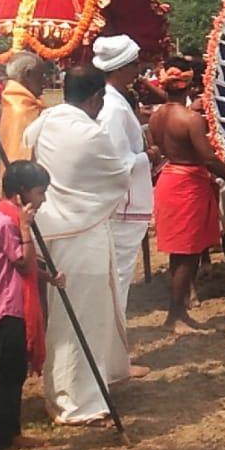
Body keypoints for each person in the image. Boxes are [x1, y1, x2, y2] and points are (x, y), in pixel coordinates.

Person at [24, 68, 138, 422]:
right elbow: (118, 177)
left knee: (68, 315)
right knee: (83, 317)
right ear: (94, 99)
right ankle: (77, 403)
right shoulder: (90, 134)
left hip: (50, 229)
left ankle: (80, 387)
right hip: (81, 231)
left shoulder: (46, 120)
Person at [149, 59, 225, 332]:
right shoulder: (191, 119)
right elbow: (209, 159)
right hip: (188, 183)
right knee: (188, 253)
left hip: (169, 179)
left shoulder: (156, 116)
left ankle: (178, 313)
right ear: (190, 86)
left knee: (179, 254)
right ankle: (175, 316)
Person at [0, 159, 60, 450]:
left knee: (16, 374)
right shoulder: (5, 222)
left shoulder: (8, 217)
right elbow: (23, 263)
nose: (42, 199)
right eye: (40, 192)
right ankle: (2, 448)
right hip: (6, 307)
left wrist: (48, 276)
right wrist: (26, 228)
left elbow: (27, 267)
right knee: (10, 378)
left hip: (13, 303)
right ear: (23, 192)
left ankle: (13, 433)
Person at [91, 35, 161, 312]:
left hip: (122, 204)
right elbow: (116, 162)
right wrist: (149, 156)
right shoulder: (111, 108)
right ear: (120, 69)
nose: (138, 70)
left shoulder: (116, 101)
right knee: (117, 278)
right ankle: (111, 340)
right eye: (134, 65)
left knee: (117, 276)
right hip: (121, 206)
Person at [0, 51, 47, 163]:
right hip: (22, 175)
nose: (45, 81)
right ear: (28, 74)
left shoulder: (11, 100)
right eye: (41, 75)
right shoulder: (22, 109)